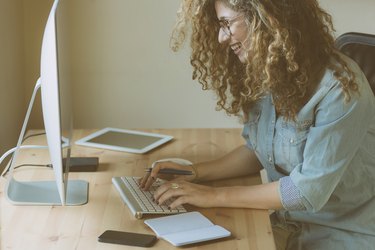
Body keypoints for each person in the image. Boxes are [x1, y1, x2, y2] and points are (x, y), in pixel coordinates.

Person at [140, 0, 375, 249]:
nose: (221, 37)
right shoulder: (270, 72)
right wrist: (193, 173)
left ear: (265, 17)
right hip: (288, 224)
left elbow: (305, 192)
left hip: (346, 234)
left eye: (226, 24)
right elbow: (257, 151)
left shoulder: (340, 88)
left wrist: (211, 195)